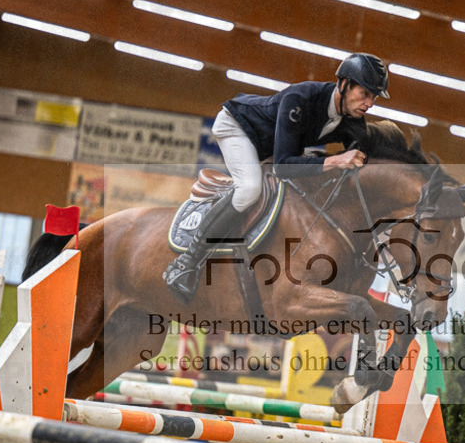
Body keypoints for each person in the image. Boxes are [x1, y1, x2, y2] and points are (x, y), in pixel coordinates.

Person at [164, 52, 391, 304]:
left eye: (374, 97)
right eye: (365, 93)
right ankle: (186, 262)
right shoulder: (301, 98)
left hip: (274, 146)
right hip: (240, 128)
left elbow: (363, 166)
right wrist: (332, 161)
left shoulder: (354, 121)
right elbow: (283, 166)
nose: (370, 103)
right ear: (344, 84)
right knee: (250, 189)